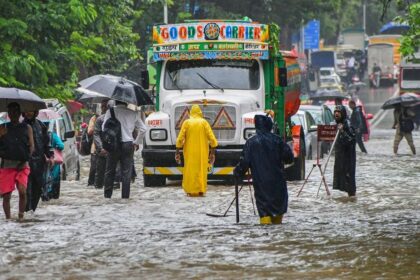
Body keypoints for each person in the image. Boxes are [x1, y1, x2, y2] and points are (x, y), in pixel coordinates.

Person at [233, 114, 293, 225]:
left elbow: (244, 163)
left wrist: (237, 172)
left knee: (265, 213)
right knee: (278, 212)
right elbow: (289, 158)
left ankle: (265, 238)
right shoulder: (278, 140)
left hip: (261, 185)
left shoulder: (251, 143)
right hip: (278, 183)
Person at [102, 101, 146, 199]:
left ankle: (107, 196)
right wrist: (136, 142)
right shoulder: (133, 113)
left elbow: (103, 127)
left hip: (113, 144)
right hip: (128, 144)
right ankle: (125, 197)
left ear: (116, 101)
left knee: (109, 171)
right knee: (126, 172)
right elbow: (143, 129)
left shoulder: (110, 111)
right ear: (127, 102)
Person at [0, 103, 34, 220]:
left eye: (15, 112)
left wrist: (26, 159)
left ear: (20, 113)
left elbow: (32, 146)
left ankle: (21, 216)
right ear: (8, 114)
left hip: (22, 165)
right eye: (11, 112)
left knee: (22, 191)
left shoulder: (27, 128)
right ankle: (8, 219)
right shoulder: (3, 128)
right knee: (6, 195)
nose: (13, 114)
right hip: (7, 165)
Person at [175, 105, 218, 197]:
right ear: (200, 112)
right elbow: (212, 139)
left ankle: (190, 190)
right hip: (202, 153)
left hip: (189, 153)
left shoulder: (186, 123)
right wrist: (212, 153)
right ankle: (201, 190)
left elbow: (180, 139)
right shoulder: (204, 122)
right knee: (201, 170)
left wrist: (177, 151)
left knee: (189, 170)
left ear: (191, 112)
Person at [23, 110, 52, 212]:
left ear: (35, 112)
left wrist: (50, 156)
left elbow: (46, 143)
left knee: (38, 189)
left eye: (30, 111)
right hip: (26, 163)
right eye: (27, 111)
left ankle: (32, 212)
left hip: (39, 163)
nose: (28, 113)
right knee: (27, 190)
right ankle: (26, 211)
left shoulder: (41, 125)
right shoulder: (21, 126)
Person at [333, 105, 357, 197]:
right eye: (335, 112)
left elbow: (351, 140)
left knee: (349, 180)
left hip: (348, 158)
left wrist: (342, 131)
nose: (336, 114)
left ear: (342, 113)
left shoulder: (348, 124)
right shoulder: (338, 123)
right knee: (342, 179)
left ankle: (352, 197)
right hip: (341, 157)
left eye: (338, 112)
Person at [92, 100, 109, 189]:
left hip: (113, 151)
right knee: (100, 173)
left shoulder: (117, 118)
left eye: (105, 107)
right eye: (102, 107)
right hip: (102, 151)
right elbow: (96, 134)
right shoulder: (100, 119)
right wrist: (101, 148)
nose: (103, 109)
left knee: (115, 175)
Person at [87, 112, 97, 186]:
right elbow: (89, 132)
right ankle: (91, 184)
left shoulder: (113, 116)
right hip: (95, 148)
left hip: (110, 148)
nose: (104, 108)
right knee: (93, 168)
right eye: (102, 106)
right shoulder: (94, 118)